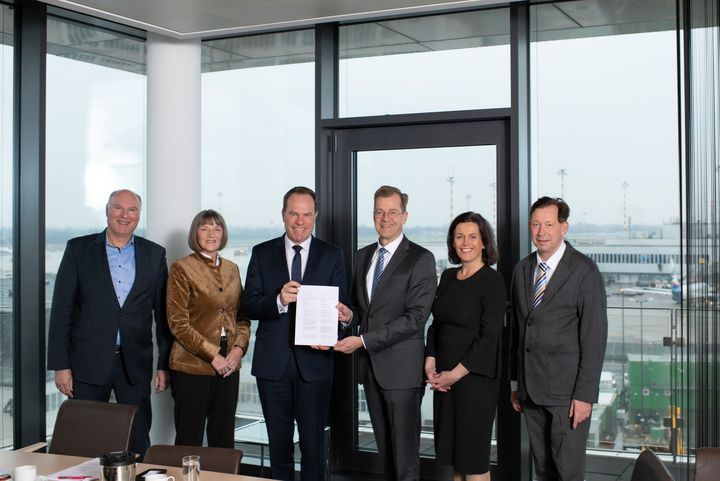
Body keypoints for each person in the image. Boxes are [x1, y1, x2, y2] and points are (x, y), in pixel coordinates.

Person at [47, 189, 171, 457]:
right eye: (118, 208)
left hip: (135, 363)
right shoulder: (78, 250)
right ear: (107, 210)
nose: (124, 215)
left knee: (138, 439)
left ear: (139, 215)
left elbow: (163, 316)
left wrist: (164, 365)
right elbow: (61, 311)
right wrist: (61, 365)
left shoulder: (154, 254)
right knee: (84, 439)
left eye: (132, 210)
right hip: (86, 362)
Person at [242, 186, 347, 481]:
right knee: (279, 447)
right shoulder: (262, 253)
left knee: (314, 448)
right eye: (293, 213)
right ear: (283, 215)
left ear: (315, 216)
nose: (299, 221)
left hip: (315, 364)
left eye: (306, 214)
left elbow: (344, 309)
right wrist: (278, 300)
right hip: (272, 365)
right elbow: (248, 304)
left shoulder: (332, 255)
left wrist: (343, 321)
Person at [336, 185, 437, 481]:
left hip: (402, 372)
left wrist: (363, 340)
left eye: (393, 212)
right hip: (371, 370)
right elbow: (363, 310)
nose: (386, 217)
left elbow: (416, 318)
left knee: (405, 460)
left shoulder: (421, 258)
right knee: (386, 457)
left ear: (404, 216)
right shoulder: (362, 256)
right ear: (373, 215)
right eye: (380, 211)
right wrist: (349, 315)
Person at [509, 197, 608, 481]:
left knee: (568, 473)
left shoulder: (584, 271)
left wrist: (585, 396)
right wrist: (515, 382)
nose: (542, 232)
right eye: (536, 224)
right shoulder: (522, 269)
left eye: (549, 225)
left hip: (567, 395)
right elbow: (516, 330)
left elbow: (595, 338)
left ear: (564, 228)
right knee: (543, 471)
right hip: (530, 389)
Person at [424, 212, 506, 481]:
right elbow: (437, 324)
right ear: (452, 242)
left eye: (473, 236)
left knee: (473, 459)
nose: (465, 242)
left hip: (475, 382)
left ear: (484, 242)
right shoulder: (447, 277)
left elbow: (490, 336)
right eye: (459, 236)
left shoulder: (492, 281)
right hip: (444, 381)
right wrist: (430, 360)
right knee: (454, 458)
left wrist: (455, 374)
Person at [166, 209, 251, 448]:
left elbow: (242, 317)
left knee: (223, 438)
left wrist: (237, 351)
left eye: (217, 228)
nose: (211, 233)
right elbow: (178, 323)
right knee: (189, 438)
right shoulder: (181, 269)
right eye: (204, 228)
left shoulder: (232, 269)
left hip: (229, 365)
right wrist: (214, 356)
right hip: (192, 365)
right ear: (195, 233)